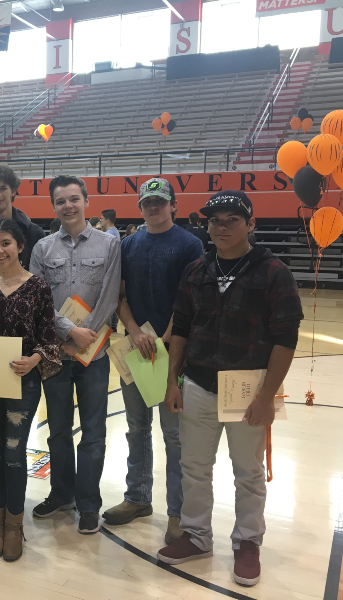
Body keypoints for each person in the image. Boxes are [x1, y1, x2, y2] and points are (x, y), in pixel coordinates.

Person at [157, 191, 303, 588]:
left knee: (248, 472)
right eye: (214, 220)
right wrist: (173, 380)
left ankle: (248, 542)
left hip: (248, 388)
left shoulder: (274, 272)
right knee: (194, 467)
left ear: (251, 225)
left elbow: (285, 339)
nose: (221, 227)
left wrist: (267, 397)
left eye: (231, 220)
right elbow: (182, 329)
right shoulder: (196, 271)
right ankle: (197, 535)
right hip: (199, 385)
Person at [102, 178, 203, 546]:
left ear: (172, 205)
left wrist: (165, 337)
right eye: (148, 202)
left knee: (174, 437)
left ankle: (177, 512)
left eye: (160, 201)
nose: (154, 207)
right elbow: (118, 294)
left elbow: (190, 297)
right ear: (140, 206)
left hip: (173, 350)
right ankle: (137, 498)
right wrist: (132, 331)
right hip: (136, 349)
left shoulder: (189, 243)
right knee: (135, 427)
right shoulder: (127, 244)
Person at [0, 219, 62, 562]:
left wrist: (35, 358)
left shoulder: (38, 287)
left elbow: (49, 341)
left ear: (21, 246)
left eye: (5, 243)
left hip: (23, 382)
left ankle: (16, 525)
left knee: (13, 450)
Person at [30, 176, 120, 534]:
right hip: (55, 354)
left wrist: (85, 337)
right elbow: (38, 300)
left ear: (86, 201)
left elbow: (110, 296)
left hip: (93, 357)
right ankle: (61, 493)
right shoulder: (42, 248)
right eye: (61, 201)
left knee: (94, 432)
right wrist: (69, 332)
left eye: (73, 199)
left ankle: (88, 504)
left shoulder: (110, 245)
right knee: (57, 432)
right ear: (54, 206)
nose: (67, 205)